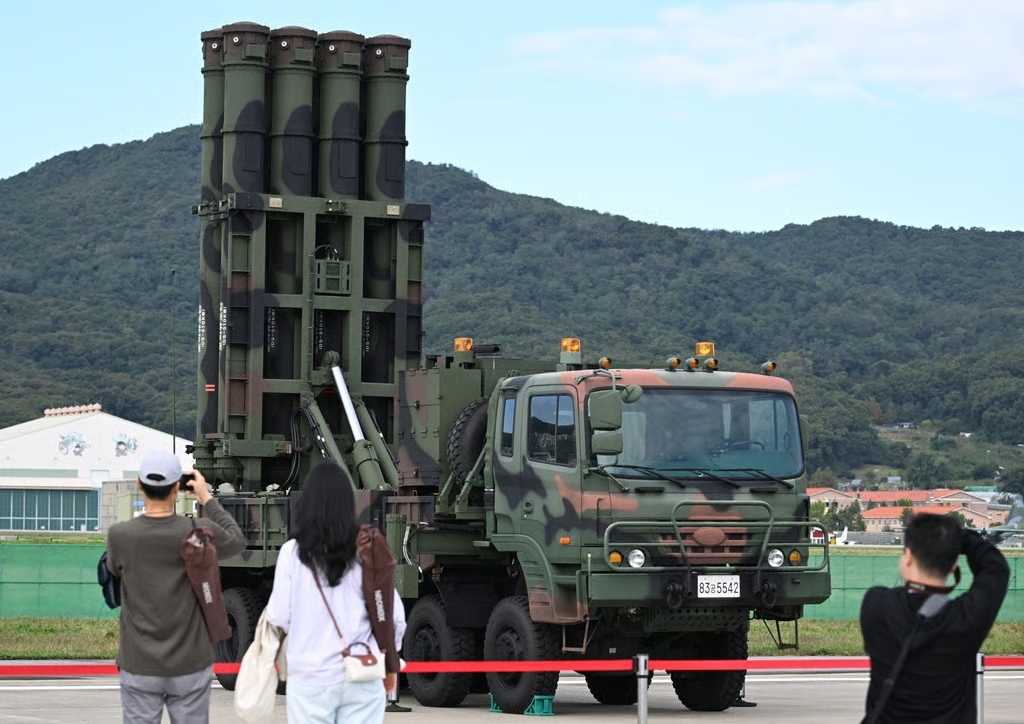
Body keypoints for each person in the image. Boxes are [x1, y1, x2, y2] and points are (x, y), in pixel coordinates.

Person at [106, 450, 246, 724]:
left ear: (139, 484)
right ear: (177, 488)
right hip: (189, 662)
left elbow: (113, 570)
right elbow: (236, 540)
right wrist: (206, 498)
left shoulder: (120, 535)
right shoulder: (199, 532)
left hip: (139, 661)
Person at [265, 462, 407, 724]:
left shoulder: (291, 553)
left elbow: (279, 616)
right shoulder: (367, 549)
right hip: (362, 673)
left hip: (310, 677)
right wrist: (390, 662)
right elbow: (393, 615)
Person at [860, 512, 1009, 724]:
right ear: (953, 568)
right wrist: (961, 538)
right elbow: (996, 569)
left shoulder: (876, 605)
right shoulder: (966, 618)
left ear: (909, 557)